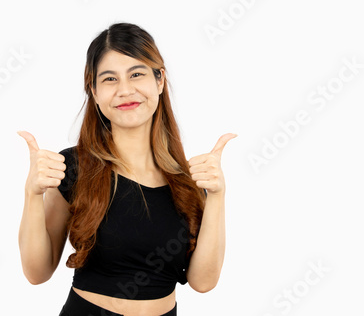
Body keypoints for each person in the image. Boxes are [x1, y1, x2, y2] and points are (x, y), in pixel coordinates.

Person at [17, 22, 237, 316]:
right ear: (94, 92)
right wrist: (32, 193)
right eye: (109, 79)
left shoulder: (191, 179)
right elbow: (37, 272)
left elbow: (203, 282)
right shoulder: (73, 167)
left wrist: (218, 195)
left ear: (159, 81)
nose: (125, 90)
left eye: (136, 74)